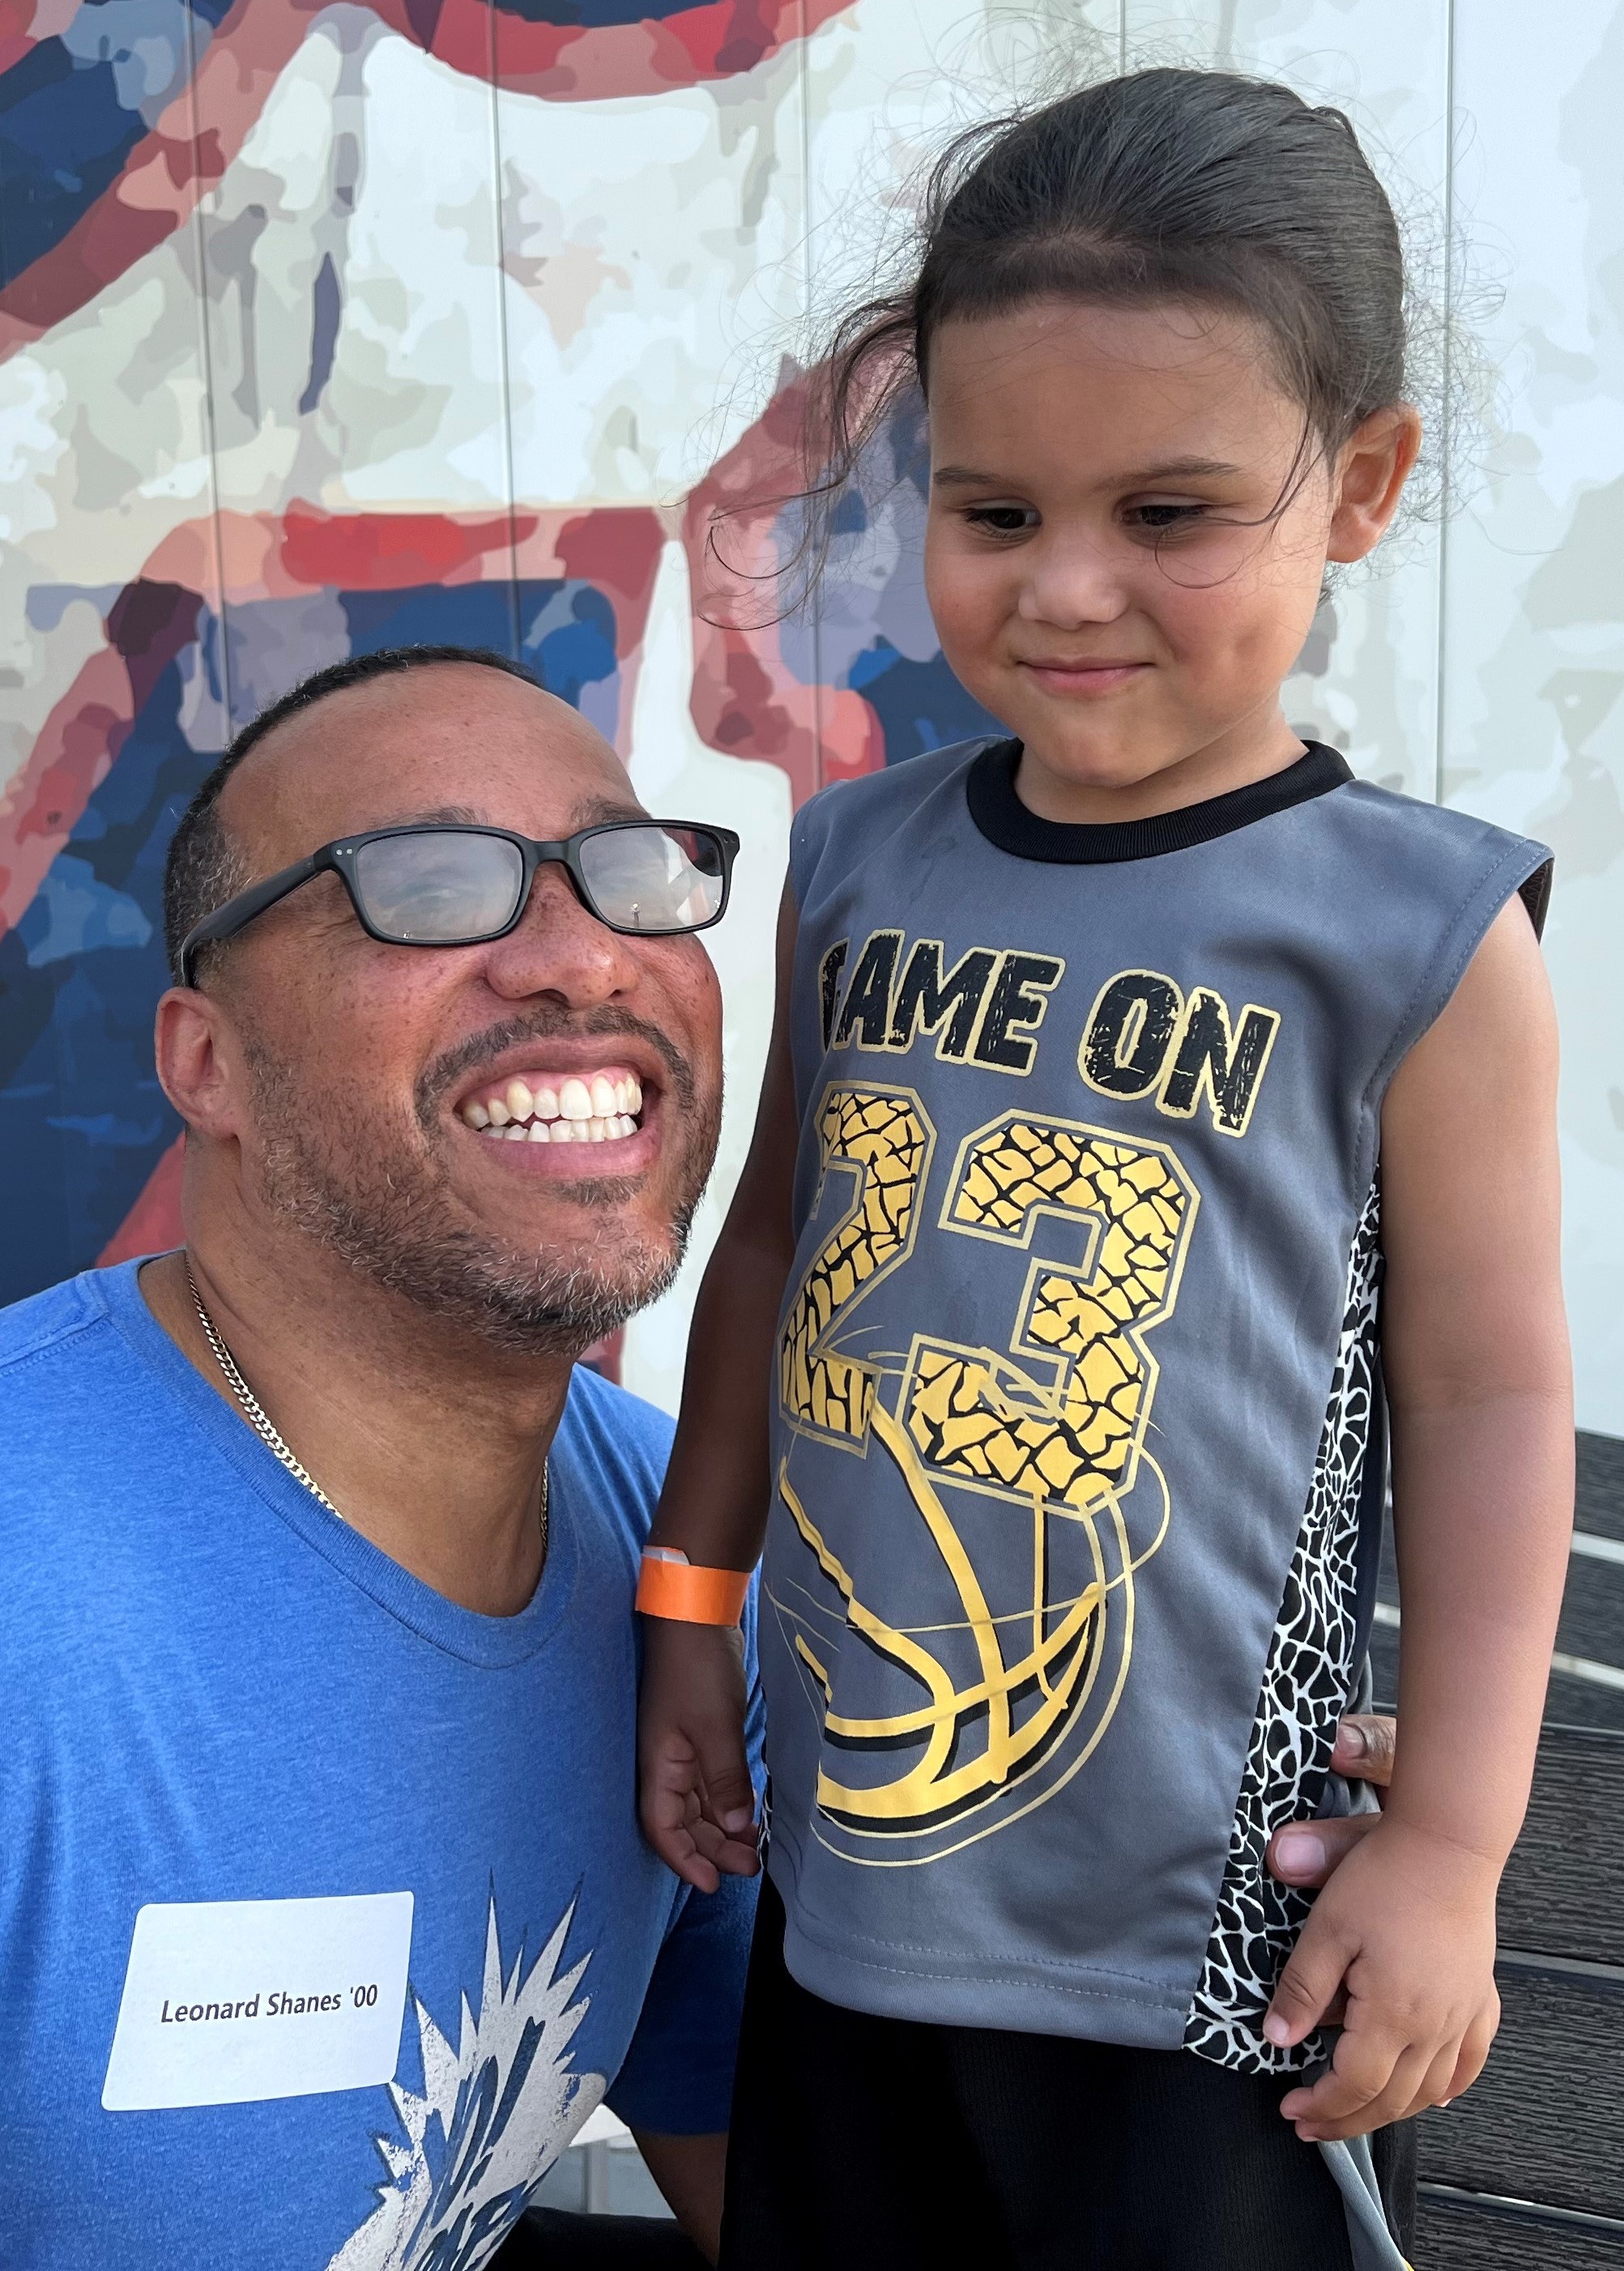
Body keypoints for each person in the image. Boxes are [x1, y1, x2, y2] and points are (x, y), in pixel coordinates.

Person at [636, 69, 1575, 2271]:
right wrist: (688, 1604)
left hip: (1207, 1943)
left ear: (1353, 486)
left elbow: (1485, 1397)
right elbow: (772, 1244)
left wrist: (1446, 1844)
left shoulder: (1412, 930)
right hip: (851, 1872)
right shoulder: (856, 851)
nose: (1065, 590)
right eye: (990, 511)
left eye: (1167, 512)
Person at [0, 646, 758, 2269]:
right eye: (428, 885)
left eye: (629, 875)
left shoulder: (682, 1584)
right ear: (208, 1062)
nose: (578, 960)